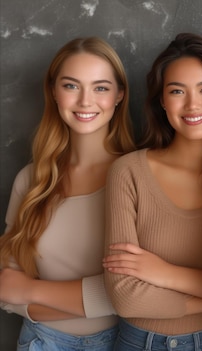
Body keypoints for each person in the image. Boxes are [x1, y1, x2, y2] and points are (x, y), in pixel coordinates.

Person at [102, 33, 202, 351]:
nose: (192, 104)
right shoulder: (128, 172)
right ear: (162, 101)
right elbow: (126, 297)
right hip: (137, 342)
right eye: (177, 91)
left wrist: (162, 273)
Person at [0, 37, 135, 350]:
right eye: (72, 86)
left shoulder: (137, 177)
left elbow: (133, 293)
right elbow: (7, 287)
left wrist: (31, 292)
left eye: (100, 87)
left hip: (121, 342)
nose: (85, 101)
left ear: (119, 95)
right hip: (40, 340)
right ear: (53, 92)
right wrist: (24, 295)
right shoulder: (31, 180)